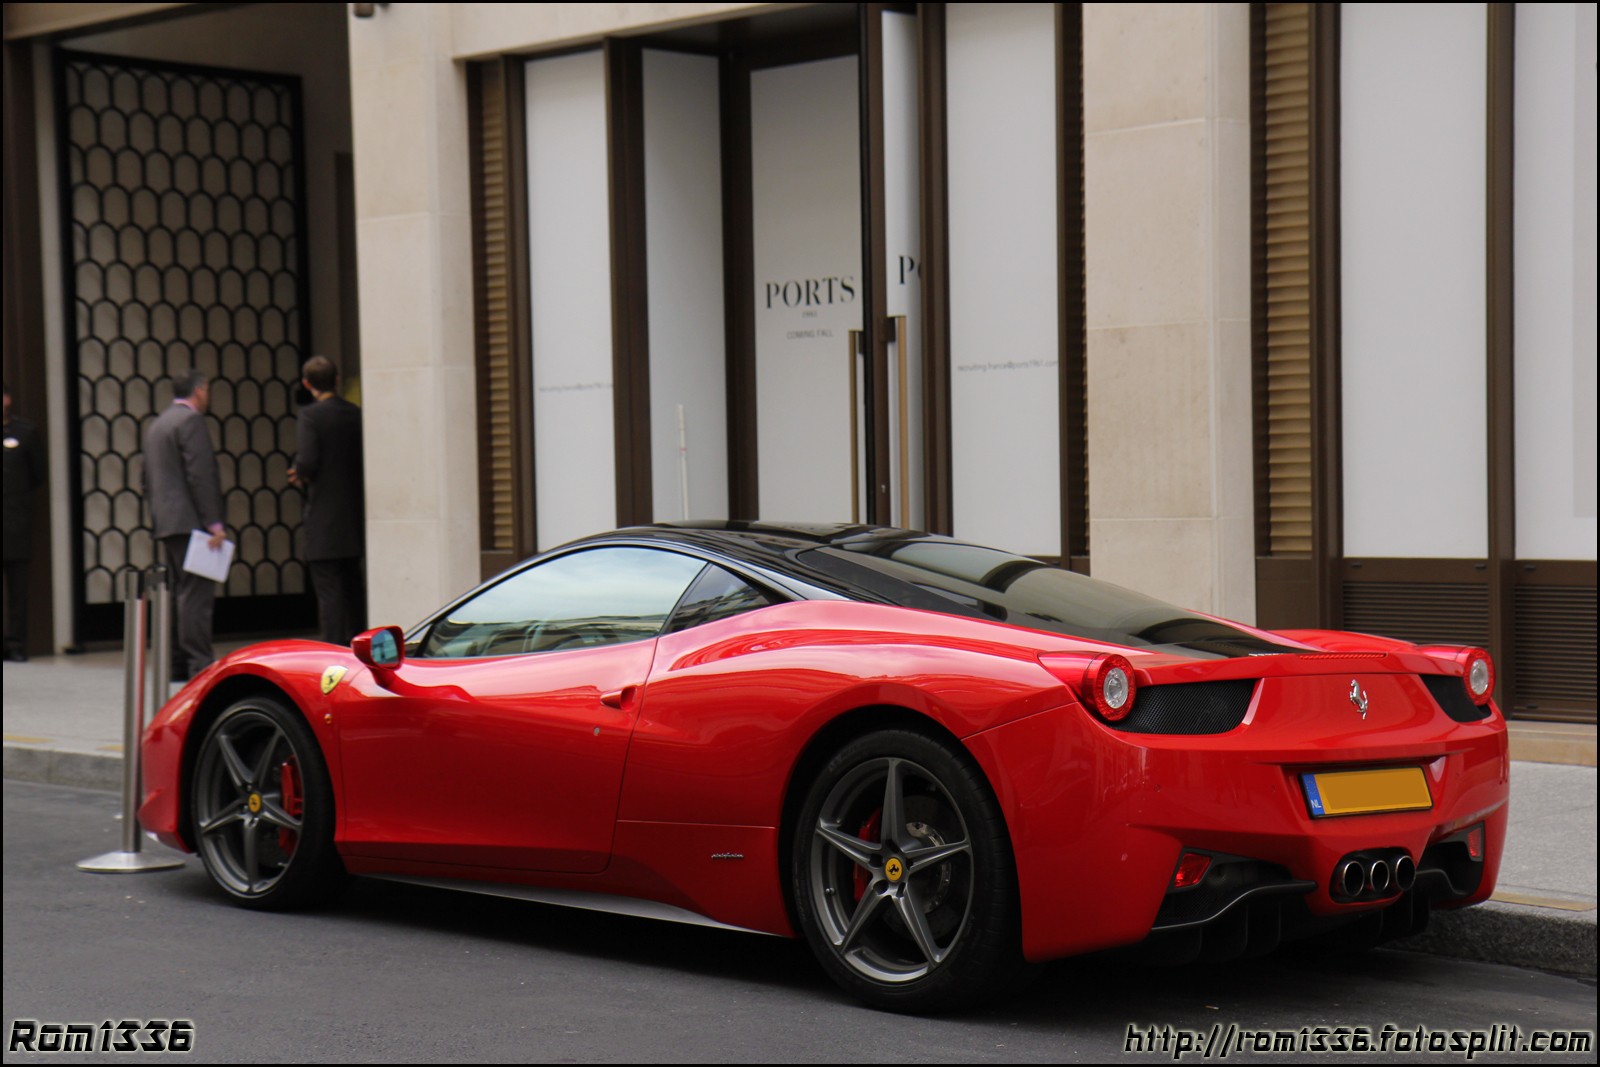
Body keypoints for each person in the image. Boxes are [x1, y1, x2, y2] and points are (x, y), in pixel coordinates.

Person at [143, 369, 226, 680]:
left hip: (167, 521)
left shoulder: (158, 424)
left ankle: (177, 663)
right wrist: (213, 522)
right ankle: (198, 663)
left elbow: (145, 478)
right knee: (196, 595)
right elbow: (200, 475)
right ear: (200, 389)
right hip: (192, 521)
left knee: (179, 591)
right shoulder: (191, 422)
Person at [288, 356, 365, 645]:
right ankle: (359, 644)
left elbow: (308, 462)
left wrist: (298, 473)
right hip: (353, 516)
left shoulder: (310, 416)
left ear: (307, 384)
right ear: (335, 380)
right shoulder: (354, 413)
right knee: (353, 589)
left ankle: (333, 649)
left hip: (323, 518)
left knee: (330, 593)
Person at [3, 384, 47, 662]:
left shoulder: (25, 432)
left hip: (16, 520)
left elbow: (38, 475)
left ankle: (16, 644)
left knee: (17, 589)